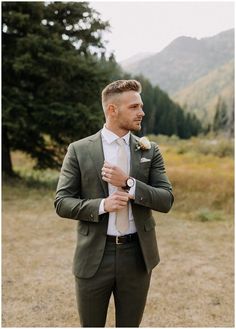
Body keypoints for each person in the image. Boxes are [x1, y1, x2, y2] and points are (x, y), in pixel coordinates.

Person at [54, 79, 174, 327]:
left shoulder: (149, 151)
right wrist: (102, 206)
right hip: (94, 257)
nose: (142, 112)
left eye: (141, 106)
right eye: (134, 107)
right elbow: (62, 202)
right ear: (112, 110)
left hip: (137, 256)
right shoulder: (79, 150)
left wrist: (130, 184)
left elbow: (166, 200)